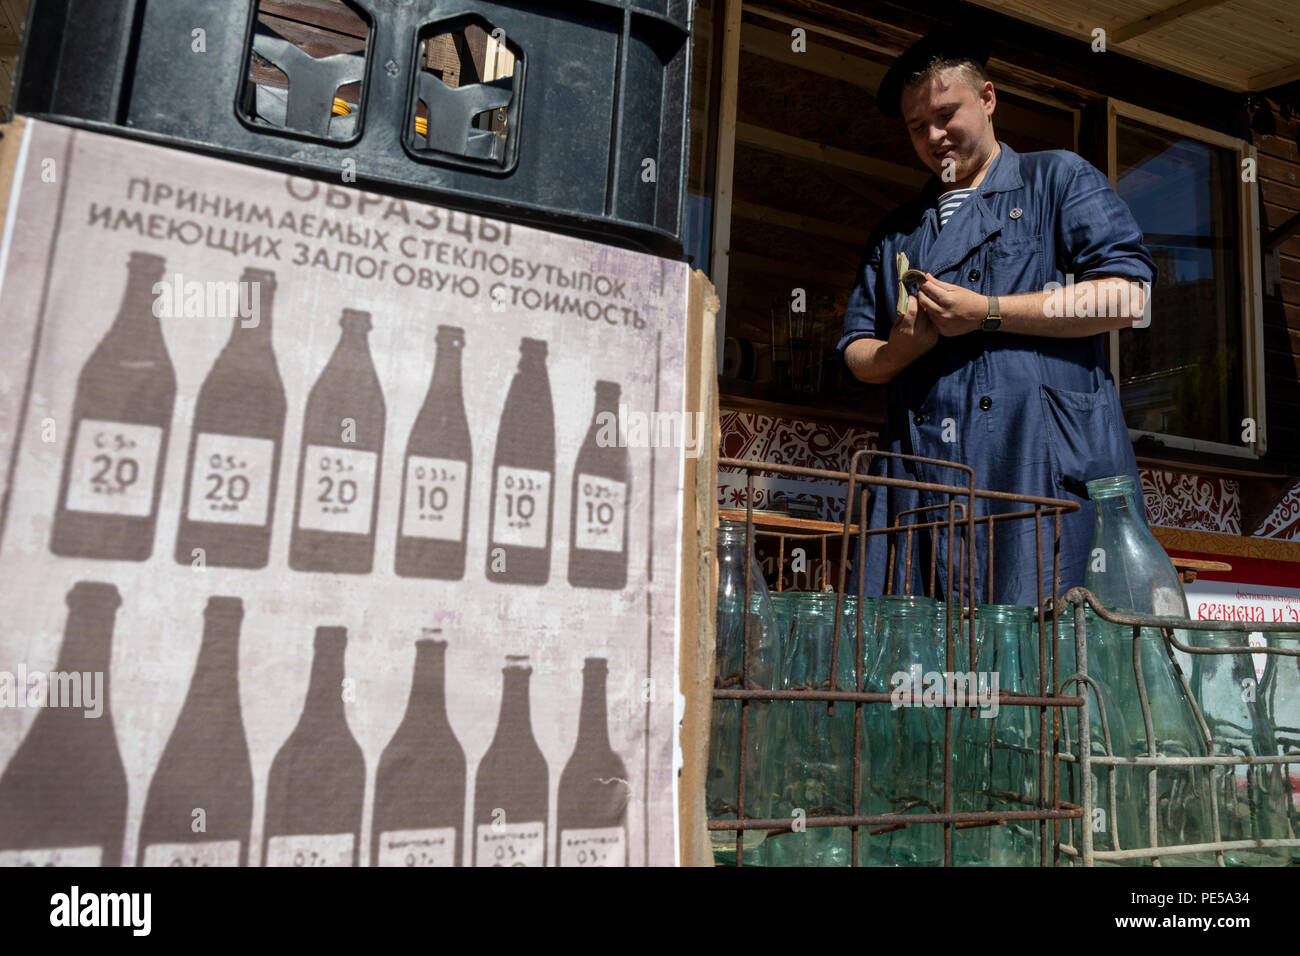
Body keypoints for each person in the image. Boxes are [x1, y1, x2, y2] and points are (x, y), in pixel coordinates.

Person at [838, 27, 1156, 607]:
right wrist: (899, 351)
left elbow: (1126, 296)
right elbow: (857, 350)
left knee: (1046, 665)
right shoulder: (894, 233)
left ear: (987, 98)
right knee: (918, 657)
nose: (933, 136)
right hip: (924, 477)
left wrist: (986, 312)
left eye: (945, 113)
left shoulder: (1058, 180)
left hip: (1037, 467)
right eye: (916, 126)